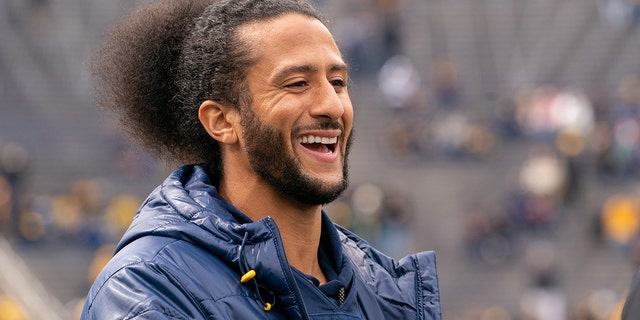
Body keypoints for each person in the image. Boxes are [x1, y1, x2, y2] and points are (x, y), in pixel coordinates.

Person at [80, 0, 441, 319]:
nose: (332, 105)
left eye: (338, 82)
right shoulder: (150, 290)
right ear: (222, 121)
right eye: (298, 83)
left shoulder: (382, 289)